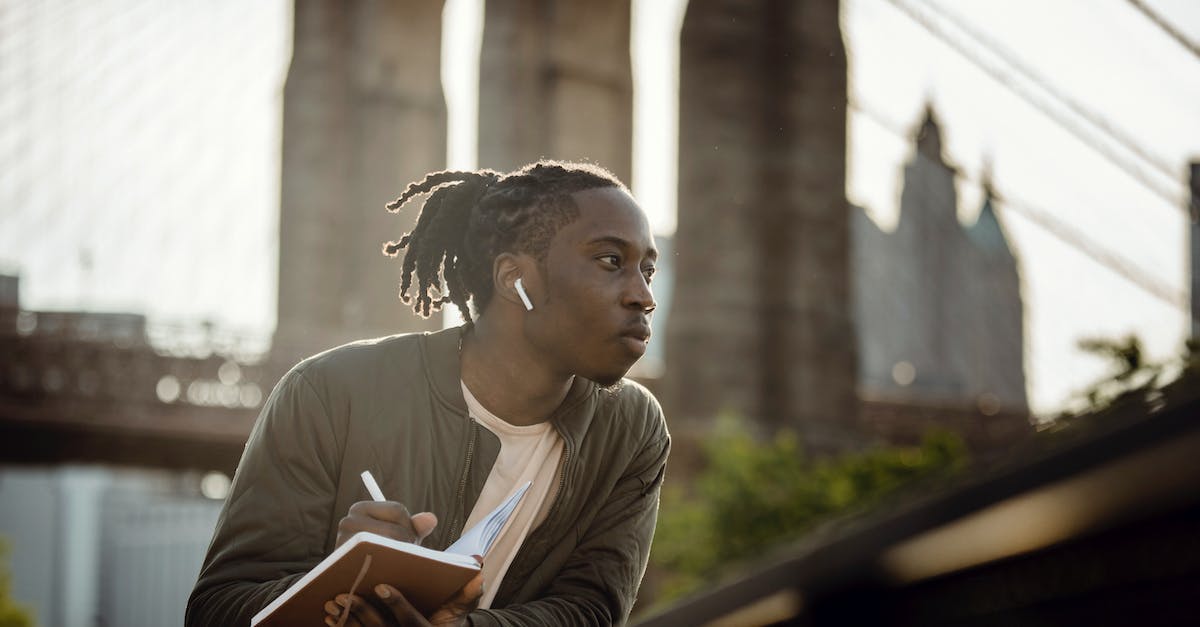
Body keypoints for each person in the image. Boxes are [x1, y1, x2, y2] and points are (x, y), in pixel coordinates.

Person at [185, 161, 670, 627]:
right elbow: (218, 609)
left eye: (647, 271)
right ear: (515, 278)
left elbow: (592, 611)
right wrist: (334, 580)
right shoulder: (330, 392)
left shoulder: (632, 429)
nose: (643, 296)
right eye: (611, 261)